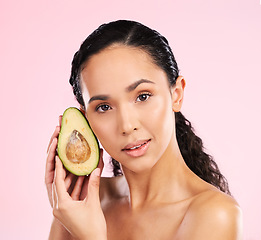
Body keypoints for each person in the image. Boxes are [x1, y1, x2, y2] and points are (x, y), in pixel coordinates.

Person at [45, 20, 243, 240]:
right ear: (85, 119)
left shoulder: (214, 215)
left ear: (176, 94)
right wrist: (64, 216)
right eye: (104, 107)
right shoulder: (83, 202)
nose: (127, 126)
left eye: (143, 96)